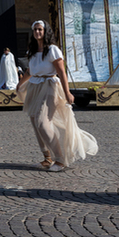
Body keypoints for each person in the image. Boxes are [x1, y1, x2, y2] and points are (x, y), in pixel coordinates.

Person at [18, 20, 98, 172]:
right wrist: (20, 83)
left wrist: (67, 92)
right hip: (35, 86)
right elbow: (30, 70)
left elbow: (61, 72)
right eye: (35, 30)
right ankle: (47, 158)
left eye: (40, 29)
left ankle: (60, 159)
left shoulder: (52, 50)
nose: (37, 32)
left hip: (49, 86)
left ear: (45, 31)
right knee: (35, 122)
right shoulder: (33, 50)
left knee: (43, 122)